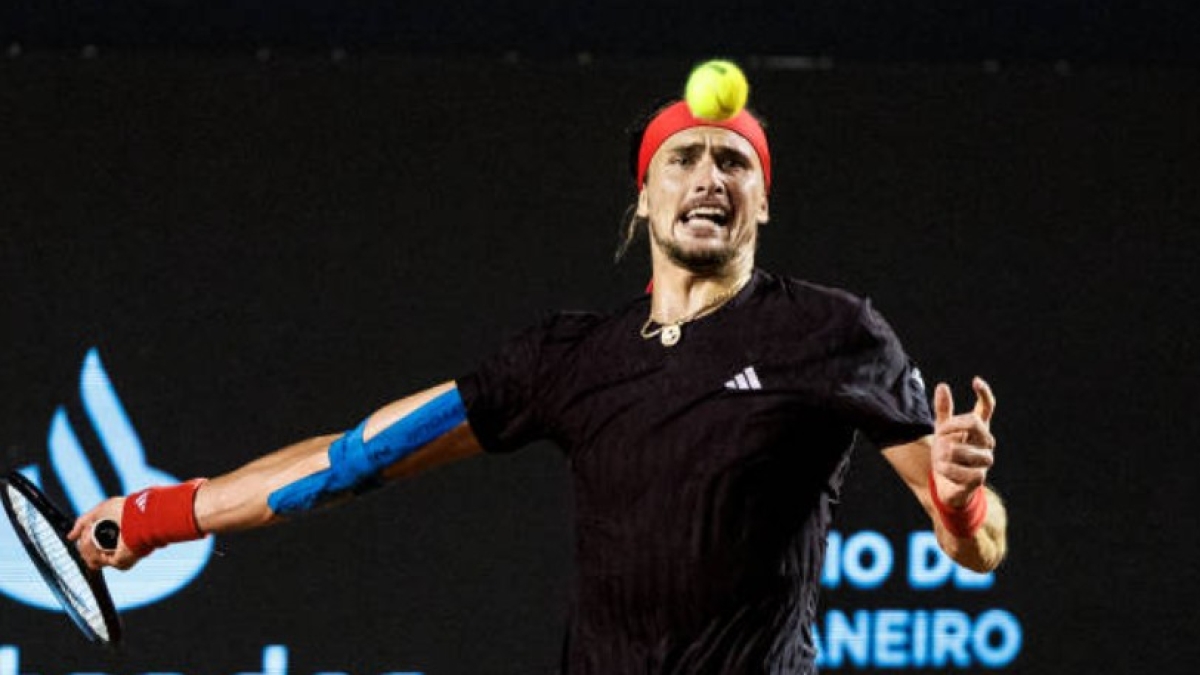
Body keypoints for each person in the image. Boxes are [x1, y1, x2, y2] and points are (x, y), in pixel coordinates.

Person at [70, 99, 1008, 674]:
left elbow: (979, 550)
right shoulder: (572, 358)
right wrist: (157, 517)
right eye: (684, 157)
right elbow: (353, 458)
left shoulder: (830, 331)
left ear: (763, 200)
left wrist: (962, 502)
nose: (709, 175)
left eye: (736, 161)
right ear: (644, 196)